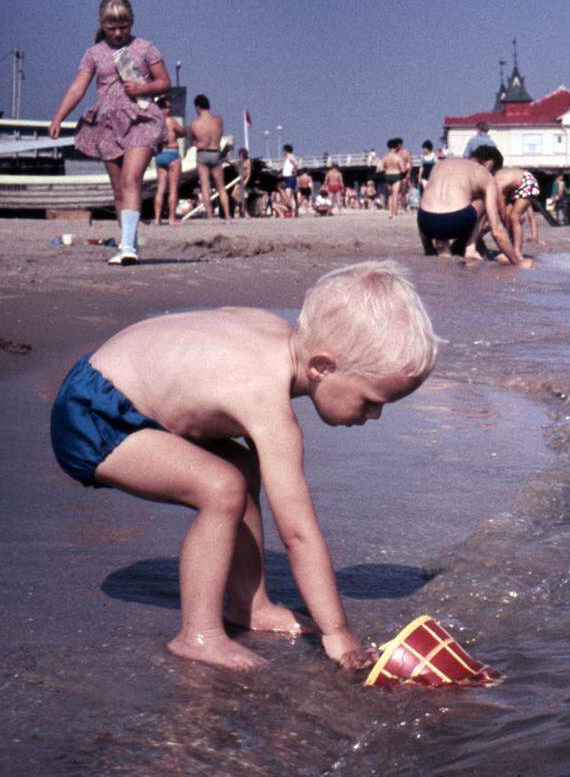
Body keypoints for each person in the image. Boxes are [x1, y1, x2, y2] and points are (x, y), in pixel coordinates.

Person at [50, 261, 438, 672]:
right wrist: (337, 632)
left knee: (242, 465)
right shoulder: (265, 401)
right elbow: (298, 535)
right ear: (321, 368)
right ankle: (198, 635)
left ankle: (249, 605)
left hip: (111, 382)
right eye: (370, 400)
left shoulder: (273, 332)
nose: (374, 415)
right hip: (93, 417)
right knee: (222, 487)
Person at [49, 0, 170, 266]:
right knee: (118, 190)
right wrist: (58, 117)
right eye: (111, 27)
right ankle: (130, 239)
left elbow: (164, 82)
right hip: (108, 125)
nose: (117, 33)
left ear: (131, 22)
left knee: (131, 179)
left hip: (141, 119)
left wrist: (143, 88)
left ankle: (127, 247)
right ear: (102, 24)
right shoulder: (93, 53)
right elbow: (77, 87)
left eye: (123, 27)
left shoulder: (145, 48)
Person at [417, 145, 529, 267]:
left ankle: (435, 248)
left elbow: (426, 201)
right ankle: (470, 249)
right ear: (490, 165)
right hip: (454, 222)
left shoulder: (440, 164)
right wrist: (517, 262)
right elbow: (496, 230)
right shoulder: (484, 174)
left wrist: (427, 247)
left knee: (436, 201)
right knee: (483, 198)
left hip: (425, 223)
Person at [188, 94, 231, 223]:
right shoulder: (218, 120)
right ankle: (228, 217)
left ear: (197, 107)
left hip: (202, 153)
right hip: (215, 152)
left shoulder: (194, 124)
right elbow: (220, 133)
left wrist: (199, 143)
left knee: (205, 186)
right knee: (221, 187)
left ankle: (210, 218)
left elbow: (191, 142)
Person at [493, 166, 542, 259]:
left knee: (514, 217)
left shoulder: (497, 184)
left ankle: (517, 252)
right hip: (518, 184)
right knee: (508, 217)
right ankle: (510, 249)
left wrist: (501, 220)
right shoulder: (496, 181)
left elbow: (501, 204)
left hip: (527, 181)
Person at [152, 95, 185, 226]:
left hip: (160, 154)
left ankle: (157, 218)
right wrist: (177, 134)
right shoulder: (171, 121)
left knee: (160, 188)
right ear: (162, 108)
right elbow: (183, 132)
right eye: (168, 107)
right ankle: (171, 218)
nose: (170, 109)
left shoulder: (154, 122)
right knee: (173, 189)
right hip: (172, 153)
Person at [378, 139, 408, 219]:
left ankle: (390, 213)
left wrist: (386, 169)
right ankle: (395, 213)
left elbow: (381, 169)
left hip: (387, 176)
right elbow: (403, 169)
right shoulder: (398, 157)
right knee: (395, 195)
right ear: (396, 147)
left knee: (390, 195)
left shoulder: (385, 157)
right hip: (396, 175)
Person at [281, 145, 301, 217]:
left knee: (288, 195)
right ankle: (292, 211)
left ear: (286, 150)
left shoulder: (290, 156)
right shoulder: (287, 157)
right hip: (287, 177)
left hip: (290, 177)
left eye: (283, 150)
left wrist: (293, 170)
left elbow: (296, 164)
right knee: (289, 195)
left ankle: (291, 211)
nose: (283, 152)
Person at [233, 148, 253, 219]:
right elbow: (234, 164)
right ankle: (237, 209)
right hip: (239, 180)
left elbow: (249, 173)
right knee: (234, 194)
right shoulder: (240, 161)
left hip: (245, 180)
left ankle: (244, 211)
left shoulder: (248, 161)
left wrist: (245, 183)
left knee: (243, 197)